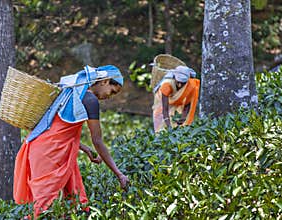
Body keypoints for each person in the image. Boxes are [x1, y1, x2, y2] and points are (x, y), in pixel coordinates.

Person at [13, 65, 129, 218]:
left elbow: (58, 128)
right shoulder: (90, 99)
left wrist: (83, 147)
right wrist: (119, 174)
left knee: (70, 204)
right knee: (44, 208)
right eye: (112, 91)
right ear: (104, 81)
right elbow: (98, 140)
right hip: (48, 154)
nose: (110, 96)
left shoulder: (74, 93)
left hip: (46, 148)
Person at [152, 65, 200, 132]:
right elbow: (165, 109)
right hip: (163, 100)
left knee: (180, 126)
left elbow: (187, 104)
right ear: (174, 77)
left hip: (177, 101)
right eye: (178, 82)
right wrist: (169, 127)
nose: (180, 85)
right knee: (160, 124)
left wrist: (183, 117)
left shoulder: (190, 85)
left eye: (183, 83)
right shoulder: (167, 85)